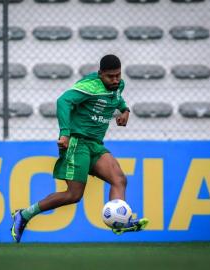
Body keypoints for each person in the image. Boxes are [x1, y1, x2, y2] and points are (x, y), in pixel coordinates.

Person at [11, 54, 148, 243]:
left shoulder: (118, 85)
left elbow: (117, 99)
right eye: (110, 76)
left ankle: (119, 222)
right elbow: (63, 101)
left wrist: (125, 110)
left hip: (95, 145)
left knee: (119, 180)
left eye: (118, 75)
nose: (115, 80)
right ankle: (24, 215)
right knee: (73, 195)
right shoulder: (90, 86)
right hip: (77, 143)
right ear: (100, 74)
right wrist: (65, 133)